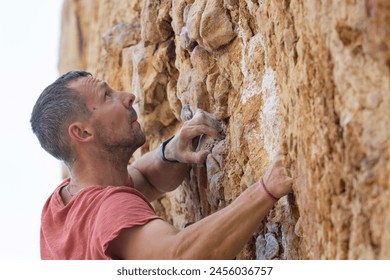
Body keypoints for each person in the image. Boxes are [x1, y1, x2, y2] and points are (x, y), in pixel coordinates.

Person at [30, 70, 293, 260]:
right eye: (107, 96)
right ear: (83, 133)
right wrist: (265, 190)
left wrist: (170, 152)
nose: (128, 96)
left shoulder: (58, 209)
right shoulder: (108, 212)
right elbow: (179, 258)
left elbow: (143, 178)